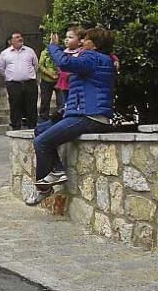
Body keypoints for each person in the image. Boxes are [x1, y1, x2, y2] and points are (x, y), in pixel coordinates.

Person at [26, 28, 116, 206]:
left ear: (95, 44)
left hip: (90, 116)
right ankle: (57, 169)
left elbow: (64, 62)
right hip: (83, 113)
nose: (82, 42)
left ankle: (43, 188)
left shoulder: (92, 58)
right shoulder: (99, 59)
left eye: (86, 40)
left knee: (42, 142)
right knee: (40, 129)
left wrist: (53, 47)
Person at [0, 31, 38, 130]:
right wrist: (11, 77)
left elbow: (35, 65)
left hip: (29, 83)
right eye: (16, 37)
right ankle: (16, 127)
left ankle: (32, 126)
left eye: (20, 37)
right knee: (15, 106)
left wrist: (28, 75)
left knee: (31, 106)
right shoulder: (5, 54)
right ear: (11, 41)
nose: (20, 39)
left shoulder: (30, 51)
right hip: (14, 84)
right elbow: (1, 68)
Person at [54, 26, 85, 108]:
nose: (66, 39)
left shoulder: (82, 52)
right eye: (66, 37)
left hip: (75, 83)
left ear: (79, 42)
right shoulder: (64, 51)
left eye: (70, 37)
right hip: (64, 82)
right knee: (65, 102)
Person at [37, 43, 60, 121]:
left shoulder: (60, 52)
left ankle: (60, 116)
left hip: (59, 80)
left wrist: (59, 73)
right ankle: (43, 118)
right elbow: (40, 65)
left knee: (61, 101)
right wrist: (50, 74)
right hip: (46, 80)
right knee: (45, 100)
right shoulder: (44, 53)